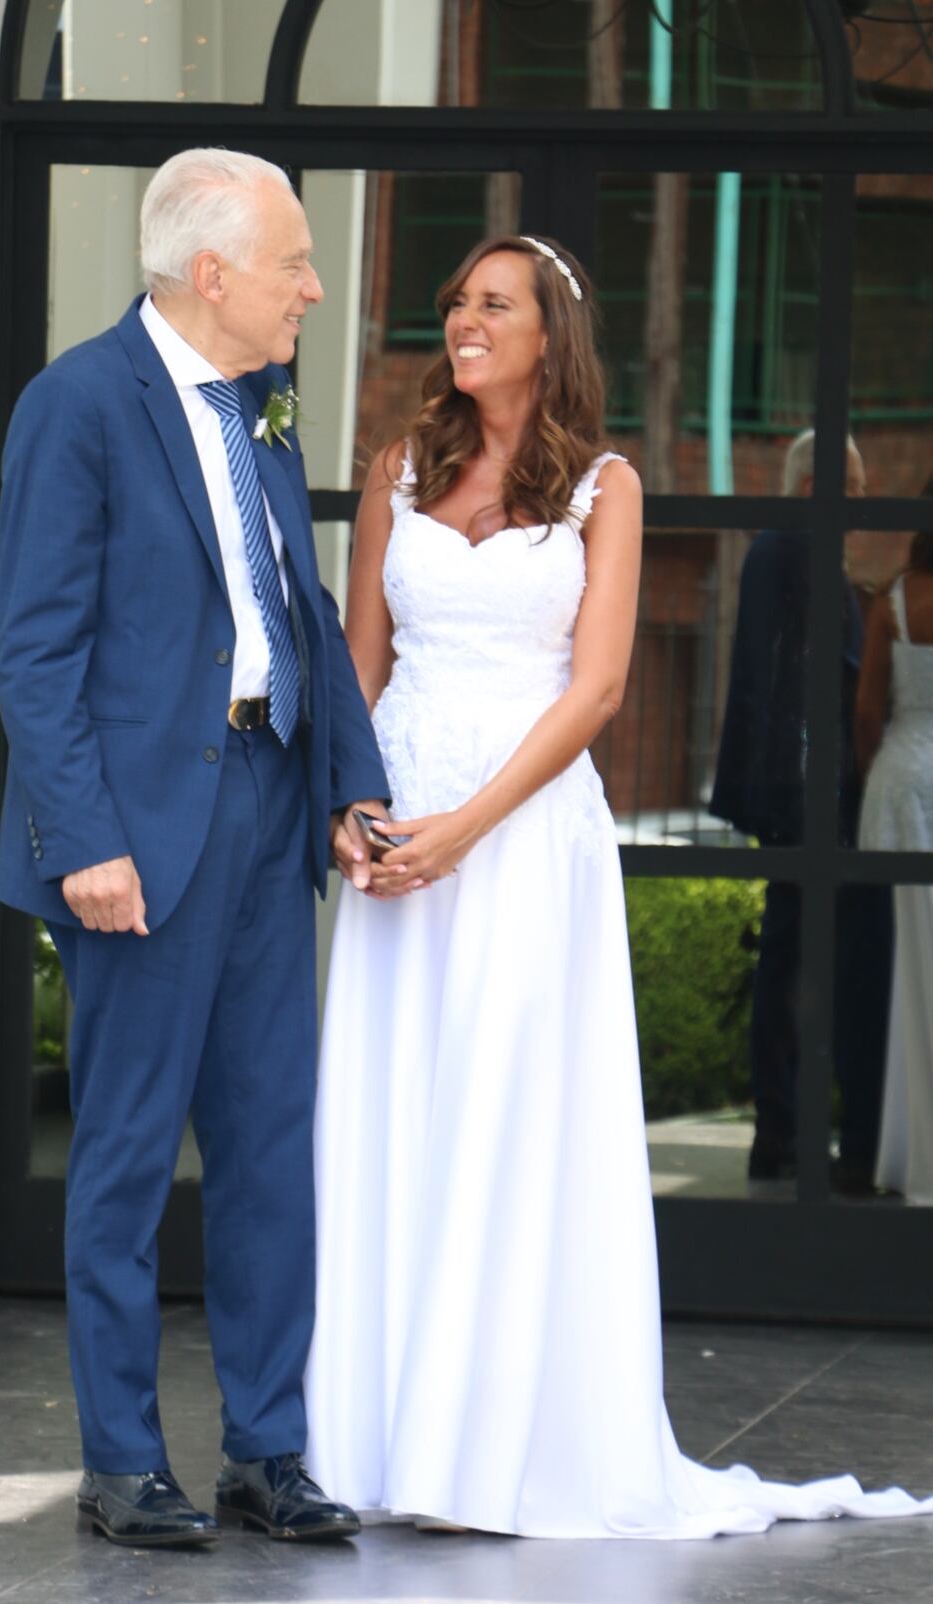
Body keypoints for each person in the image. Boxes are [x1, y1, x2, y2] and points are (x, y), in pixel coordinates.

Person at [303, 237, 933, 1536]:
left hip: (520, 836)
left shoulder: (606, 486)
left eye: (492, 304)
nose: (462, 321)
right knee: (397, 1114)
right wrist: (349, 814)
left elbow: (591, 692)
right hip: (398, 832)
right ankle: (370, 1441)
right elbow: (356, 664)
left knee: (501, 1118)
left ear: (550, 335)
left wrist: (463, 830)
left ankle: (482, 1450)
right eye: (456, 303)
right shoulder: (396, 471)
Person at [0, 148, 390, 1548]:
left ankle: (264, 1454)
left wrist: (350, 784)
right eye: (294, 261)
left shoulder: (263, 412)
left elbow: (303, 610)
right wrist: (81, 838)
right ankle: (119, 1463)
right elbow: (34, 650)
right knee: (121, 1160)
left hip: (269, 811)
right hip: (140, 845)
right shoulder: (79, 404)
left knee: (270, 1152)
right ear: (210, 270)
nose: (314, 287)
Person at [710, 432, 892, 1191]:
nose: (854, 498)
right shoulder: (795, 551)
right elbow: (810, 677)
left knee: (793, 961)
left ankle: (785, 1129)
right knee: (800, 966)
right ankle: (787, 1129)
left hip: (792, 789)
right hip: (803, 794)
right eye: (846, 482)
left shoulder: (781, 550)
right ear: (810, 481)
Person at [857, 498, 933, 1206]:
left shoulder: (893, 601)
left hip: (902, 780)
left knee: (904, 972)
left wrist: (870, 765)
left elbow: (867, 710)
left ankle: (907, 1154)